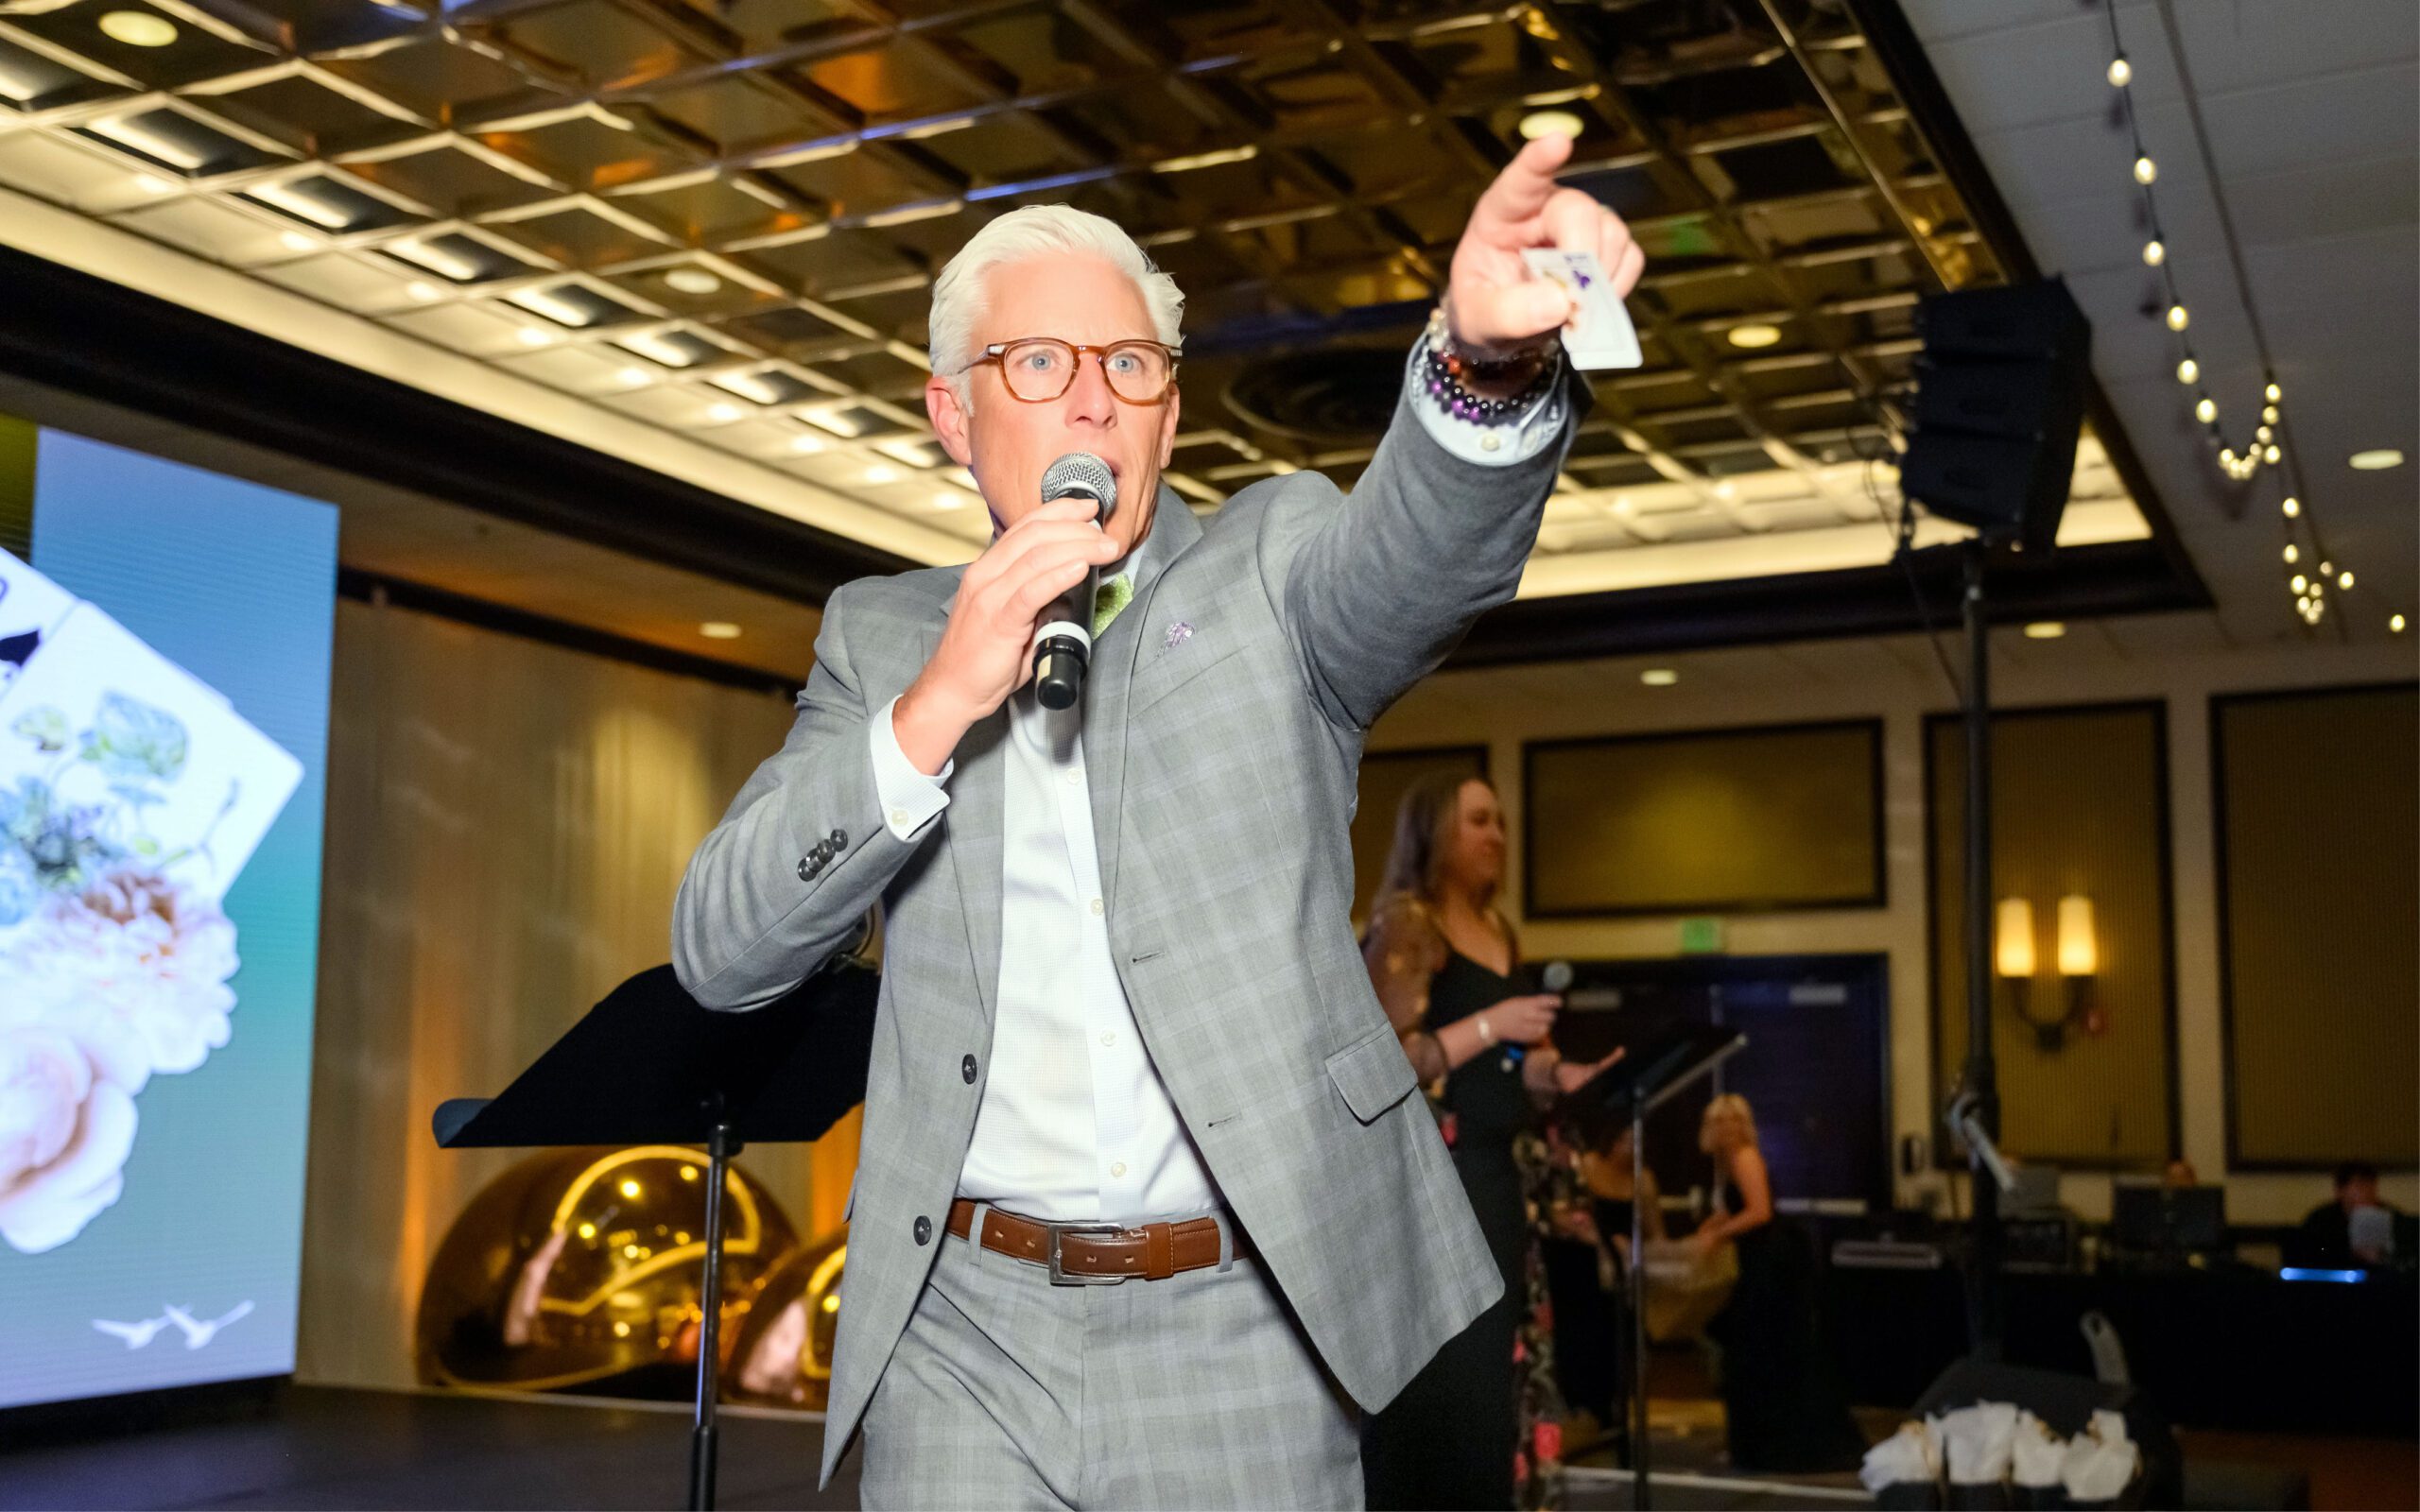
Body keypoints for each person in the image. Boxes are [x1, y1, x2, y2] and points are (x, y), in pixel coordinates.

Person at [671, 132, 1644, 1508]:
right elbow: (724, 947)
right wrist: (934, 707)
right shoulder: (877, 637)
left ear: (1170, 419)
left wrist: (1484, 368)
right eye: (1041, 366)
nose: (1091, 405)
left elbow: (1418, 560)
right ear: (954, 416)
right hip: (963, 1333)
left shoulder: (1273, 574)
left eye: (1129, 368)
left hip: (1242, 1327)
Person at [1360, 772, 1619, 1509]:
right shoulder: (1410, 923)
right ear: (1435, 831)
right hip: (1435, 1183)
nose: (1497, 835)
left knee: (1493, 1386)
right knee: (1447, 1385)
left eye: (1501, 821)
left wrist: (1555, 1071)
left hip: (1500, 1179)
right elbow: (1380, 1058)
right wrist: (1490, 1028)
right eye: (1478, 820)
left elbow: (1511, 1063)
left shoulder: (1501, 931)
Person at [1695, 1093, 1862, 1474]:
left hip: (1772, 1263)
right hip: (1759, 1258)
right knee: (1751, 1350)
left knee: (1763, 1349)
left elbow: (1759, 1211)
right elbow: (1737, 1207)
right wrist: (1716, 1223)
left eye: (1732, 1122)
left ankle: (1776, 1445)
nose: (1726, 1129)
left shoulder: (1745, 1157)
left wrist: (1717, 1236)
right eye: (1719, 1122)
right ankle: (1757, 1444)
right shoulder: (1729, 1161)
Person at [2290, 1160, 2414, 1270]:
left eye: (2370, 1185)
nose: (2366, 1192)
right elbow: (2308, 1255)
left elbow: (2407, 1258)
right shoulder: (2320, 1220)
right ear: (2340, 1191)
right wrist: (2350, 1253)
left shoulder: (2392, 1217)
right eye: (2359, 1186)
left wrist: (2382, 1257)